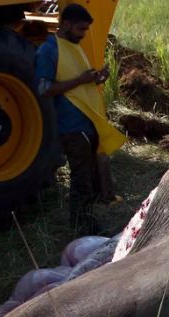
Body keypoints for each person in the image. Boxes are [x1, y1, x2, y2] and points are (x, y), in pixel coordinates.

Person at [35, 3, 126, 233]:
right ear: (65, 24)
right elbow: (44, 88)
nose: (84, 34)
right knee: (81, 180)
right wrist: (81, 80)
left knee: (91, 177)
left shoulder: (73, 46)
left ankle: (89, 221)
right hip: (71, 126)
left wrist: (97, 78)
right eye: (81, 29)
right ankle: (80, 227)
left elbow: (79, 82)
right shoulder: (49, 50)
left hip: (88, 123)